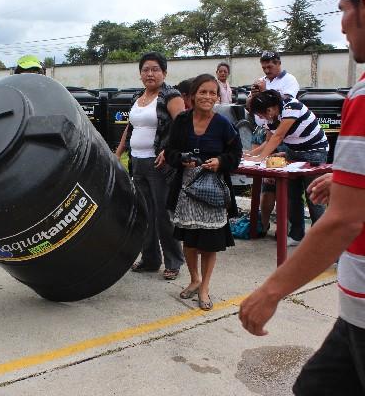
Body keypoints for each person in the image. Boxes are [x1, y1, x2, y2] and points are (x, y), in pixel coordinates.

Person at [240, 0, 365, 394]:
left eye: (345, 9)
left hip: (362, 307)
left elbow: (345, 219)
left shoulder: (356, 97)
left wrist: (271, 290)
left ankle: (298, 234)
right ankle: (295, 230)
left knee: (318, 206)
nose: (342, 25)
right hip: (354, 312)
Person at [165, 74, 242, 310]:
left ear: (217, 97)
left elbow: (236, 155)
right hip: (187, 190)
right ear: (193, 95)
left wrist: (220, 161)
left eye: (212, 93)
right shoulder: (181, 121)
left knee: (210, 243)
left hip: (213, 191)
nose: (207, 97)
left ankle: (205, 287)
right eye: (203, 92)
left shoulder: (223, 124)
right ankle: (194, 279)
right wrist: (182, 159)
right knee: (189, 240)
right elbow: (169, 152)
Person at [114, 52, 185, 279]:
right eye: (146, 70)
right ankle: (150, 259)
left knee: (163, 215)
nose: (150, 74)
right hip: (138, 162)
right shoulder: (137, 97)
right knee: (145, 214)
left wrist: (168, 150)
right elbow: (130, 127)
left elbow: (183, 126)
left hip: (159, 164)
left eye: (155, 69)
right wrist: (118, 153)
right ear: (140, 74)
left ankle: (173, 262)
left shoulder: (170, 95)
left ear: (164, 72)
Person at [245, 90, 328, 245]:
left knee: (314, 195)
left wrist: (260, 158)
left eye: (261, 115)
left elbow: (278, 137)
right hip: (292, 153)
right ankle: (297, 235)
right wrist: (251, 155)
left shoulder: (292, 107)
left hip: (314, 152)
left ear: (269, 110)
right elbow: (268, 141)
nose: (261, 118)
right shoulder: (271, 118)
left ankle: (322, 239)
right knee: (292, 196)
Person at [249, 51, 301, 239]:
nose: (266, 70)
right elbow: (251, 106)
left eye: (270, 66)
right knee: (267, 184)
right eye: (264, 67)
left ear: (278, 63)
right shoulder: (261, 80)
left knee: (284, 186)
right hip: (265, 131)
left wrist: (263, 92)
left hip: (283, 135)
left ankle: (284, 228)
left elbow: (280, 105)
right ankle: (262, 225)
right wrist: (254, 94)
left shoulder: (290, 81)